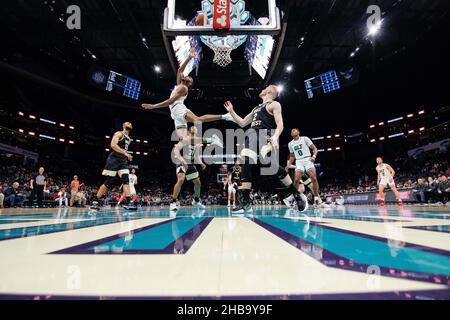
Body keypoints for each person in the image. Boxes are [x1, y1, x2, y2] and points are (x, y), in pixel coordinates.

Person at [223, 85, 308, 214]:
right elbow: (242, 123)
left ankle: (296, 194)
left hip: (264, 136)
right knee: (245, 164)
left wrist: (274, 136)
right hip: (251, 135)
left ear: (269, 91)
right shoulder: (256, 108)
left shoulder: (274, 104)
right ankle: (245, 203)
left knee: (272, 167)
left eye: (265, 88)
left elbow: (280, 124)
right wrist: (232, 112)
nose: (261, 89)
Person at [141, 48, 233, 142]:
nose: (188, 76)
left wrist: (154, 106)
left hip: (178, 108)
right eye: (188, 76)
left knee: (197, 120)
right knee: (184, 139)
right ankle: (211, 140)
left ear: (189, 84)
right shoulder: (179, 85)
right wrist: (189, 58)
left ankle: (224, 116)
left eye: (190, 78)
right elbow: (179, 71)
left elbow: (170, 101)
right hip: (175, 112)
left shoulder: (183, 88)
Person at [90, 122, 137, 211]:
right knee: (109, 181)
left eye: (131, 124)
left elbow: (124, 150)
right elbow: (113, 145)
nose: (129, 124)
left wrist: (127, 155)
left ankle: (128, 203)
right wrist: (125, 153)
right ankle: (95, 201)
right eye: (127, 123)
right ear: (123, 126)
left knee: (126, 181)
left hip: (123, 160)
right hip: (114, 159)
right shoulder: (119, 133)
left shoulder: (129, 139)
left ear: (132, 127)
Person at [285, 128, 325, 208]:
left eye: (294, 130)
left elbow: (315, 149)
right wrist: (288, 165)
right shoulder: (290, 144)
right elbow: (292, 156)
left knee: (313, 178)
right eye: (291, 131)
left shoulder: (305, 138)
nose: (292, 131)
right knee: (296, 180)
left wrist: (314, 156)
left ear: (298, 132)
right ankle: (295, 197)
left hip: (308, 159)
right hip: (299, 161)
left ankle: (317, 198)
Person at [171, 125, 207, 211]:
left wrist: (201, 163)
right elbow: (176, 150)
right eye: (192, 127)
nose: (194, 128)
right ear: (190, 130)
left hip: (190, 164)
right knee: (181, 179)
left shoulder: (197, 143)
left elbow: (196, 156)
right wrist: (182, 160)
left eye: (196, 128)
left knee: (198, 183)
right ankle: (173, 202)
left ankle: (196, 201)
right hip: (181, 162)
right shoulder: (185, 138)